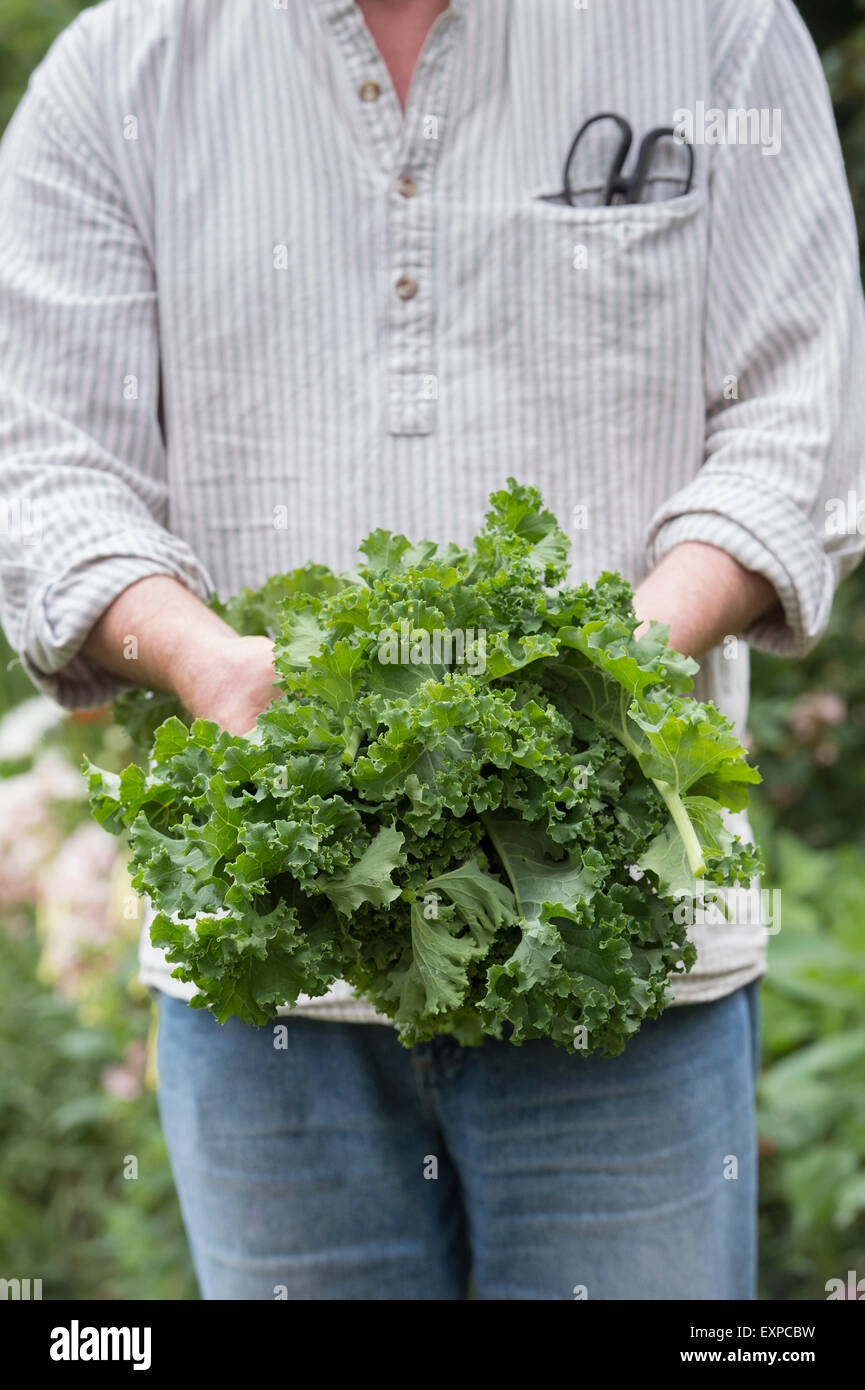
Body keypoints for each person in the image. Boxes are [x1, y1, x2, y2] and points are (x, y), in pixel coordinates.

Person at [1, 0, 863, 1301]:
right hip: (271, 988)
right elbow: (44, 461)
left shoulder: (713, 31)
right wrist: (205, 660)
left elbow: (799, 411)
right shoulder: (122, 70)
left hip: (619, 955)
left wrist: (616, 656)